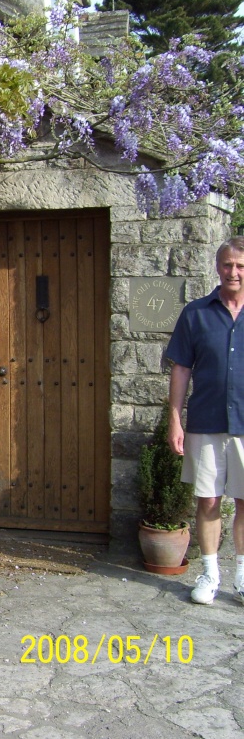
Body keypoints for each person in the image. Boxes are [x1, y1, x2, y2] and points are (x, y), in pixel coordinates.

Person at [167, 235, 244, 605]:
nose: (234, 272)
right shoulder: (196, 313)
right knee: (209, 501)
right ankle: (211, 575)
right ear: (218, 267)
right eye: (228, 264)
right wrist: (174, 419)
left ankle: (242, 579)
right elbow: (181, 369)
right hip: (206, 422)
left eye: (241, 266)